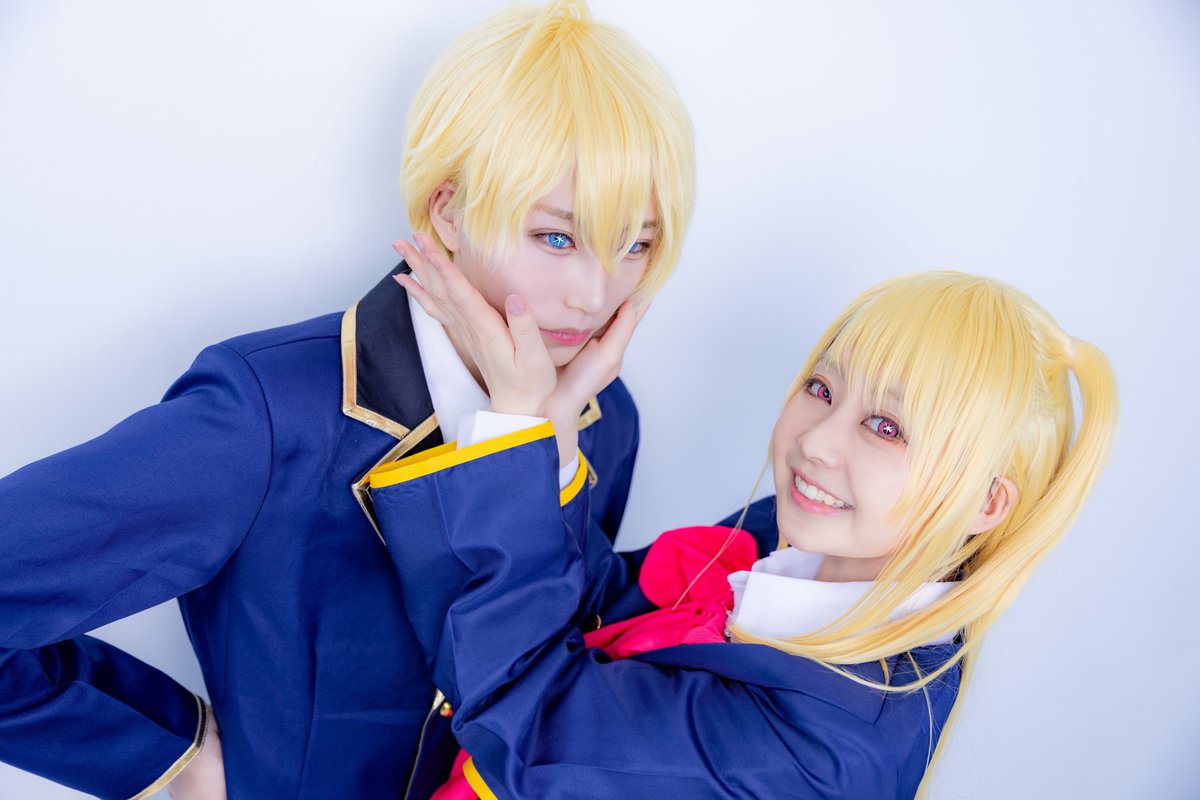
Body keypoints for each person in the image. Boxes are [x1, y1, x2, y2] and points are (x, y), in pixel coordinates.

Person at [0, 2, 694, 797]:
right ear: (449, 210)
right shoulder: (271, 414)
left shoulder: (604, 420)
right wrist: (169, 756)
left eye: (635, 244)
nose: (595, 296)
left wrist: (546, 447)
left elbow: (547, 682)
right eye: (558, 238)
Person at [368, 262, 1117, 798]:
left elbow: (536, 731)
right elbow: (598, 614)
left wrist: (513, 429)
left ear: (986, 504)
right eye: (821, 387)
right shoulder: (797, 541)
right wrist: (554, 433)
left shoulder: (832, 747)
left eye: (886, 427)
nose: (816, 441)